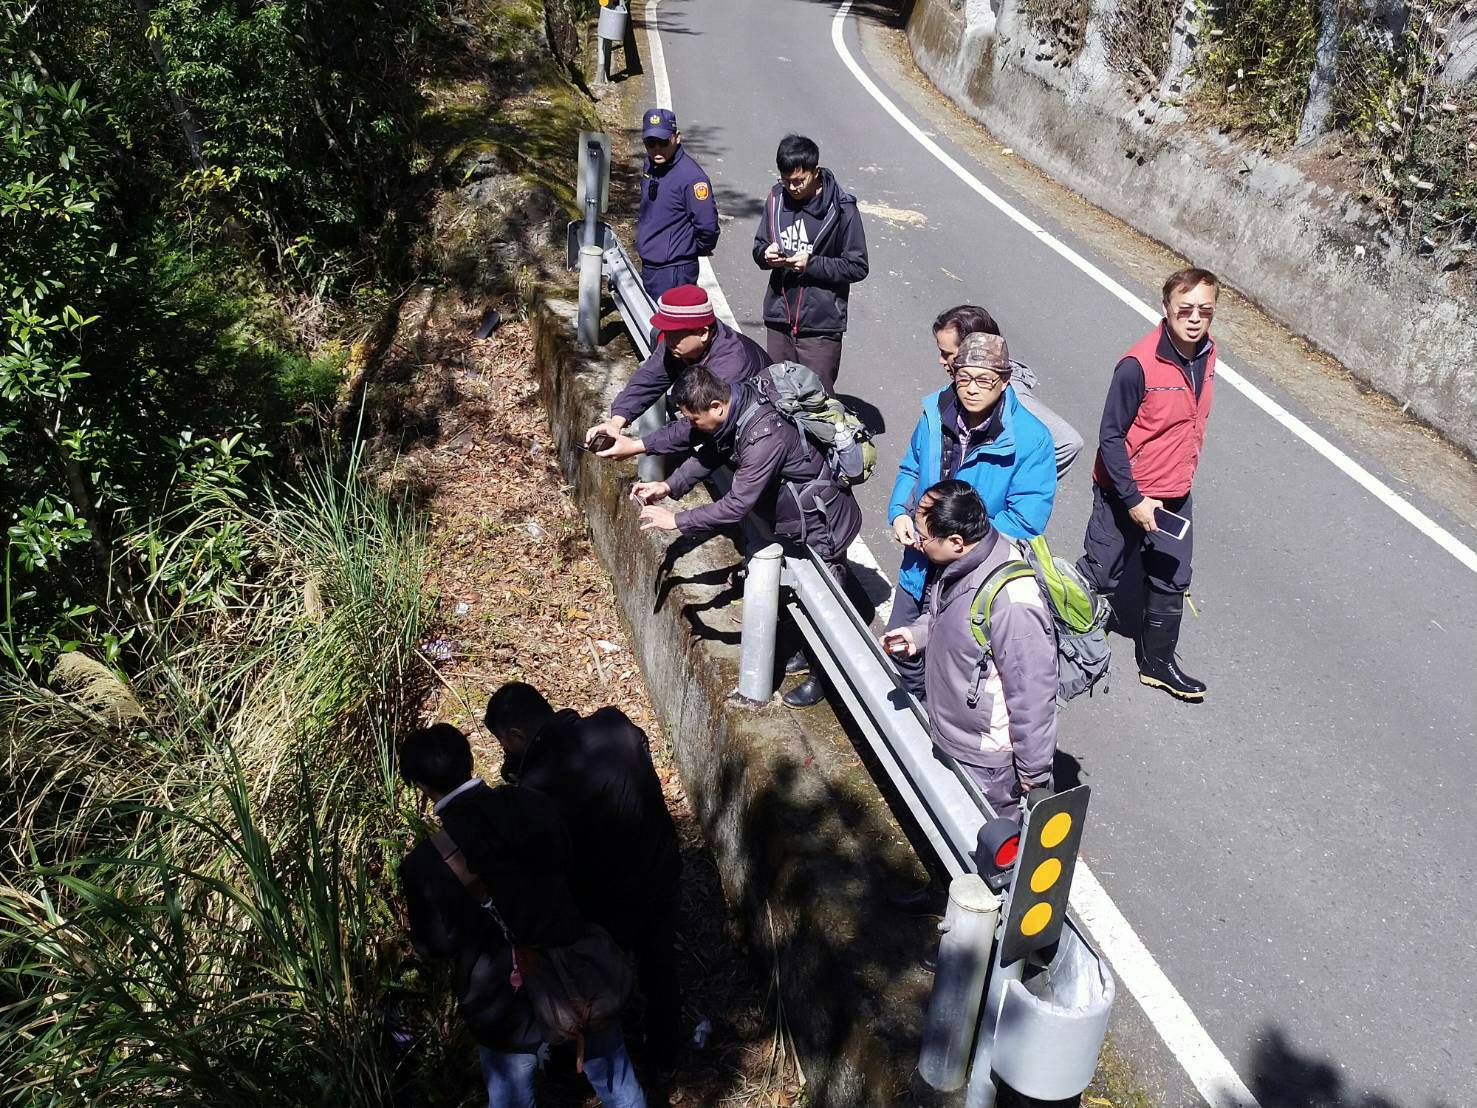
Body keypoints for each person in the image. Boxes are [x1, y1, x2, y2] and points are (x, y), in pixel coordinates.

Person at [398, 724, 647, 1108]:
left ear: (419, 785)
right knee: (620, 1089)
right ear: (470, 759)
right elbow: (571, 866)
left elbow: (437, 946)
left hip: (501, 1004)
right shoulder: (533, 803)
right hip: (574, 978)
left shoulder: (426, 864)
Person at [630, 365, 863, 708]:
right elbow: (712, 452)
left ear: (716, 408)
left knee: (827, 602)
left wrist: (676, 520)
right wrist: (668, 485)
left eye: (694, 420)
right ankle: (803, 651)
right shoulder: (737, 403)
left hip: (821, 520)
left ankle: (823, 676)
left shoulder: (764, 435)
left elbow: (736, 505)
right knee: (803, 595)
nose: (693, 427)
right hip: (796, 517)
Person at [484, 683, 684, 1069]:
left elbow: (548, 861)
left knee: (594, 978)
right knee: (660, 968)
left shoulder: (539, 787)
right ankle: (664, 1052)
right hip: (662, 870)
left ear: (515, 736)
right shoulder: (613, 723)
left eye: (505, 744)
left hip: (612, 902)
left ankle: (601, 1059)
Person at [883, 331, 1057, 699]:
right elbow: (912, 466)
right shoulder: (934, 412)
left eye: (984, 380)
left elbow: (1027, 519)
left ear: (1005, 381)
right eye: (964, 378)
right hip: (920, 560)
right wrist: (900, 511)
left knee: (955, 660)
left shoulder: (1031, 439)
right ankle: (921, 705)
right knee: (900, 644)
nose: (972, 389)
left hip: (973, 573)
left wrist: (961, 545)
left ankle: (939, 722)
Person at [1079, 267, 1219, 702]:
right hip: (1124, 492)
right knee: (1102, 572)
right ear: (1166, 308)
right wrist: (1134, 498)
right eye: (1185, 309)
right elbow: (1111, 437)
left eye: (1205, 311)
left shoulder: (1207, 354)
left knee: (1173, 576)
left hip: (1174, 491)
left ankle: (1157, 663)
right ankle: (1057, 638)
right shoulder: (1136, 366)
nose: (1195, 318)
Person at [880, 482, 1057, 821]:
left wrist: (1034, 779)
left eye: (923, 536)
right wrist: (916, 635)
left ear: (957, 542)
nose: (917, 542)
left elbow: (1034, 695)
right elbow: (945, 613)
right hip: (953, 732)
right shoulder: (965, 563)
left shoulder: (1013, 604)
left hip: (987, 760)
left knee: (986, 844)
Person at [585, 284, 768, 458]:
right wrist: (615, 423)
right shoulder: (679, 345)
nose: (668, 341)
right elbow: (650, 377)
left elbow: (699, 423)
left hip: (766, 438)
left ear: (703, 332)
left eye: (674, 335)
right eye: (666, 333)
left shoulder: (732, 365)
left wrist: (637, 446)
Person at [751, 134, 869, 394]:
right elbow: (759, 245)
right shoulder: (775, 199)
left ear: (815, 172)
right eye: (786, 181)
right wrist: (765, 255)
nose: (792, 188)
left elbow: (857, 266)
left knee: (816, 401)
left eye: (798, 181)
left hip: (820, 327)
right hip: (779, 319)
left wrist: (811, 264)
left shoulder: (842, 209)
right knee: (778, 397)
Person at [930, 304, 1084, 477]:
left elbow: (1068, 442)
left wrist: (1016, 482)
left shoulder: (1011, 394)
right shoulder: (960, 391)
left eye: (946, 354)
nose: (941, 360)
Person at [636, 108, 719, 300]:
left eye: (663, 142)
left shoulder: (692, 178)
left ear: (677, 138)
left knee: (672, 328)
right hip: (651, 264)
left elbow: (707, 226)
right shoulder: (651, 165)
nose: (657, 149)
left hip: (674, 270)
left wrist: (685, 248)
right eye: (650, 143)